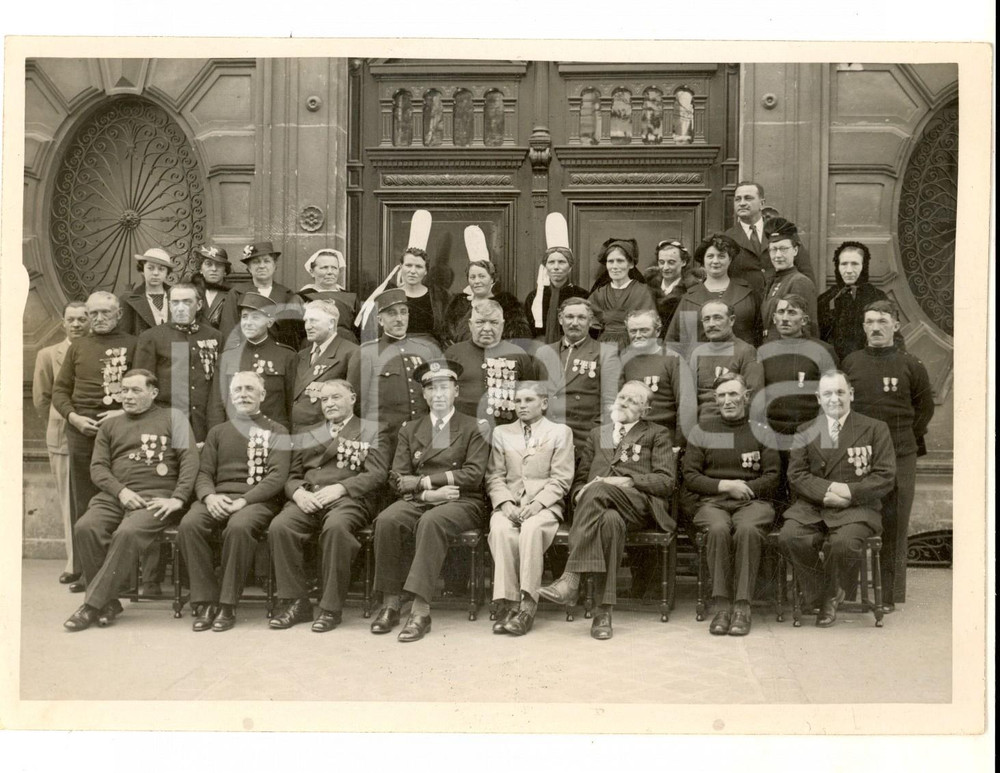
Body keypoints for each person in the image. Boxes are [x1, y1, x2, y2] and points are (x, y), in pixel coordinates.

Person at [538, 381, 676, 640]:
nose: (623, 402)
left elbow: (666, 481)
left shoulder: (657, 434)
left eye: (633, 401)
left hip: (639, 506)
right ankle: (604, 613)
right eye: (622, 396)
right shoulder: (597, 434)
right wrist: (580, 491)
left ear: (645, 411)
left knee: (599, 489)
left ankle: (571, 578)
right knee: (610, 522)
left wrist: (630, 481)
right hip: (600, 508)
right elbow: (581, 478)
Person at [63, 370, 198, 631]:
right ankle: (108, 602)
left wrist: (178, 499)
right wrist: (121, 491)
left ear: (153, 393)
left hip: (156, 498)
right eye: (124, 390)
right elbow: (98, 468)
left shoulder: (174, 418)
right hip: (115, 496)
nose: (127, 396)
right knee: (85, 527)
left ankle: (92, 605)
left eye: (136, 390)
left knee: (127, 533)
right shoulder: (111, 425)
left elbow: (190, 461)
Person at [370, 359, 489, 642]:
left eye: (444, 388)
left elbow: (473, 475)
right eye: (432, 389)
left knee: (431, 522)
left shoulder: (474, 426)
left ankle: (421, 611)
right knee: (387, 519)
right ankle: (390, 602)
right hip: (420, 498)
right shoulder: (410, 429)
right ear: (424, 394)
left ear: (456, 392)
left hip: (462, 501)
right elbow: (398, 477)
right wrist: (426, 494)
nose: (438, 395)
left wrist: (425, 481)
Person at [269, 380, 392, 632]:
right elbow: (292, 476)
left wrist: (342, 488)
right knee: (280, 526)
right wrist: (298, 493)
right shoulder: (309, 431)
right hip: (310, 498)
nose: (330, 404)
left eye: (336, 397)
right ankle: (297, 602)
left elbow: (378, 473)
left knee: (336, 528)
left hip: (349, 499)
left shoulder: (372, 430)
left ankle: (330, 608)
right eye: (325, 400)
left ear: (353, 398)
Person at [778, 370, 896, 627]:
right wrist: (830, 490)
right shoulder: (806, 430)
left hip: (858, 508)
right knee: (789, 537)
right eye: (828, 393)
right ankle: (824, 591)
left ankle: (829, 597)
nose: (835, 399)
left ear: (851, 395)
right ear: (818, 398)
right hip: (814, 505)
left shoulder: (875, 428)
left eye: (841, 392)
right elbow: (796, 475)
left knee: (844, 544)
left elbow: (885, 476)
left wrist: (849, 493)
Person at [176, 371, 290, 632]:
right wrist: (209, 496)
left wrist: (244, 501)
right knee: (190, 524)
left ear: (262, 395)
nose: (243, 394)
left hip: (257, 500)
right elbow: (203, 472)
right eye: (238, 390)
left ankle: (227, 604)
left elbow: (277, 477)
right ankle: (205, 600)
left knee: (239, 527)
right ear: (230, 397)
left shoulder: (277, 431)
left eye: (250, 389)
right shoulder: (218, 432)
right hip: (217, 497)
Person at [841, 300, 934, 606]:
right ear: (863, 326)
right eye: (870, 321)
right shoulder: (851, 362)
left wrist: (899, 440)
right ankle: (848, 591)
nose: (876, 327)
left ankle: (890, 595)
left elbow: (923, 411)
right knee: (852, 519)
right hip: (858, 454)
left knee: (894, 523)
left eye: (882, 321)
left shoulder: (912, 365)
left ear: (896, 325)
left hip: (899, 453)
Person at [681, 375, 780, 636]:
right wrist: (725, 485)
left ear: (746, 397)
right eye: (722, 396)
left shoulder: (762, 430)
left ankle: (742, 607)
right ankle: (722, 606)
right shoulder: (702, 430)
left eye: (733, 395)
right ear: (715, 400)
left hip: (753, 503)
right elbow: (690, 476)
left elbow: (773, 477)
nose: (728, 401)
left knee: (747, 529)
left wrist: (744, 489)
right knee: (717, 529)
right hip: (713, 502)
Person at [51, 291, 137, 592]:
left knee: (119, 501)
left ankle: (120, 577)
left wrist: (120, 411)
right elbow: (60, 391)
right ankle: (89, 575)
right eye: (93, 314)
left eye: (105, 313)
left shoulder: (132, 344)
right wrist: (73, 418)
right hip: (81, 433)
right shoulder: (78, 346)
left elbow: (144, 388)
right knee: (85, 502)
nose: (98, 319)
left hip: (120, 434)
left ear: (119, 315)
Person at [485, 382, 574, 636]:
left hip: (544, 506)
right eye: (518, 401)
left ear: (543, 404)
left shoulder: (559, 432)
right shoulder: (502, 432)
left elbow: (561, 479)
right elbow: (494, 476)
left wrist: (537, 504)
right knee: (501, 529)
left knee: (532, 530)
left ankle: (527, 604)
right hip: (511, 504)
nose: (522, 406)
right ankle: (508, 603)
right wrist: (504, 503)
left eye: (528, 400)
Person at [32, 301, 90, 587]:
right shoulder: (47, 354)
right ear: (62, 322)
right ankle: (74, 562)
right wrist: (61, 423)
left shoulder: (94, 350)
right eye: (72, 319)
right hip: (64, 436)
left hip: (94, 437)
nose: (77, 324)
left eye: (83, 319)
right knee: (70, 502)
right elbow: (42, 399)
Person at [133, 282, 223, 444]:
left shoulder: (214, 336)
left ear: (199, 304)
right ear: (169, 304)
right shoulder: (152, 337)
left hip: (204, 424)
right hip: (166, 423)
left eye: (187, 302)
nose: (180, 308)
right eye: (175, 302)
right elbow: (142, 386)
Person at [534, 298, 621, 448]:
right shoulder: (544, 352)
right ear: (560, 319)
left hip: (583, 439)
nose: (574, 323)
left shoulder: (606, 353)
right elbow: (534, 396)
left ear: (590, 321)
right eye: (569, 317)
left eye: (581, 318)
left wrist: (600, 443)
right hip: (546, 438)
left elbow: (610, 404)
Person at [209, 292, 297, 433]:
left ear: (270, 322)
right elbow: (216, 406)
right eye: (244, 317)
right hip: (234, 433)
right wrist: (217, 437)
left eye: (255, 317)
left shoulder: (287, 356)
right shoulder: (227, 358)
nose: (248, 323)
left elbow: (292, 404)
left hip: (274, 434)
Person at [356, 288, 439, 435]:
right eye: (392, 313)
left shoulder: (424, 351)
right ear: (380, 320)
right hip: (384, 438)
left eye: (403, 312)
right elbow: (358, 404)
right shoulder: (367, 353)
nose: (399, 319)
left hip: (420, 435)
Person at [445, 299, 537, 428]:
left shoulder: (518, 354)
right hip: (462, 431)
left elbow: (530, 397)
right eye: (480, 322)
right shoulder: (453, 354)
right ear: (470, 325)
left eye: (494, 322)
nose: (487, 328)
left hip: (505, 431)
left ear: (503, 325)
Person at [666, 233, 761, 347]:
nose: (715, 261)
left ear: (730, 259)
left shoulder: (747, 294)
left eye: (721, 256)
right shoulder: (690, 299)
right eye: (710, 256)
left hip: (740, 361)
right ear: (703, 261)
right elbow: (674, 341)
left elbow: (760, 334)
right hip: (700, 362)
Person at [724, 181, 814, 298]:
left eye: (748, 198)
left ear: (762, 203)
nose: (742, 203)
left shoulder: (782, 230)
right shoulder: (728, 237)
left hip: (781, 304)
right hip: (747, 306)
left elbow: (804, 269)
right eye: (738, 199)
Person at [684, 300, 763, 425]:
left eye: (717, 318)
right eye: (706, 319)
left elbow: (753, 398)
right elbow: (688, 398)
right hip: (700, 423)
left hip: (732, 423)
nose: (711, 324)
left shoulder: (746, 351)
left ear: (731, 320)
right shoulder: (697, 352)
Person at [289, 299, 360, 432]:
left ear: (331, 323)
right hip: (293, 434)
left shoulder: (351, 353)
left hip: (324, 436)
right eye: (306, 321)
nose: (307, 326)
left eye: (313, 320)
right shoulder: (301, 356)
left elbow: (353, 404)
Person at [619, 308, 689, 443]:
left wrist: (679, 443)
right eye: (633, 331)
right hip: (632, 435)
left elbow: (685, 405)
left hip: (664, 435)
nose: (638, 335)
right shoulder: (624, 359)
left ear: (657, 331)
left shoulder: (673, 359)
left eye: (644, 330)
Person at [817, 240, 892, 361]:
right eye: (844, 264)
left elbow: (891, 338)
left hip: (866, 367)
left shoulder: (876, 297)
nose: (849, 270)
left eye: (855, 264)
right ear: (837, 266)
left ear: (864, 266)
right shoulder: (826, 299)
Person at [219, 241, 301, 350]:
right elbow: (229, 329)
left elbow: (292, 337)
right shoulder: (237, 293)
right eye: (256, 262)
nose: (262, 266)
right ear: (248, 267)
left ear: (275, 265)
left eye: (267, 261)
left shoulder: (287, 295)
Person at [525, 213, 589, 343]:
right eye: (551, 262)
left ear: (570, 267)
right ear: (545, 266)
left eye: (561, 262)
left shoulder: (582, 295)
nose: (556, 267)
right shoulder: (534, 297)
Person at [587, 238, 656, 350]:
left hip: (635, 345)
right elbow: (588, 319)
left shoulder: (643, 291)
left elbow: (650, 324)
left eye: (620, 261)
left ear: (631, 264)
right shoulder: (600, 292)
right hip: (604, 346)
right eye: (610, 261)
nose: (614, 266)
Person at [445, 259, 530, 344]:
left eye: (482, 276)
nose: (477, 281)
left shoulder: (508, 306)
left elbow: (518, 340)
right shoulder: (458, 305)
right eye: (472, 277)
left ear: (492, 279)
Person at [760, 218, 819, 340]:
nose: (778, 255)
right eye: (773, 249)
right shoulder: (773, 281)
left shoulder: (799, 282)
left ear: (795, 250)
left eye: (783, 249)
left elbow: (805, 328)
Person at [297, 248, 359, 344]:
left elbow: (359, 329)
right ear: (312, 272)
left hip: (347, 347)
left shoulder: (350, 298)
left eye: (334, 268)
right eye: (324, 267)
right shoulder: (301, 297)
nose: (330, 272)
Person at [642, 239, 703, 333]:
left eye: (671, 262)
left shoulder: (692, 290)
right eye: (661, 262)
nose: (665, 268)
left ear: (683, 262)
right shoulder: (647, 287)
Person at [394, 245, 451, 344]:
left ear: (426, 271)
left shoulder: (438, 298)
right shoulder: (392, 296)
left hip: (431, 352)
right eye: (408, 265)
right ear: (401, 267)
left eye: (419, 267)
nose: (413, 271)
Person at [118, 247, 174, 337]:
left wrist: (180, 352)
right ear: (142, 270)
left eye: (161, 269)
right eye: (150, 268)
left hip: (174, 349)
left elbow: (183, 334)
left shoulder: (178, 296)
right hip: (143, 350)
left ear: (167, 273)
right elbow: (124, 337)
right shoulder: (128, 300)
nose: (156, 273)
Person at [191, 245, 232, 329]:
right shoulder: (191, 291)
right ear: (200, 269)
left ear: (225, 271)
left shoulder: (233, 294)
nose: (214, 269)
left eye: (219, 265)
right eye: (208, 264)